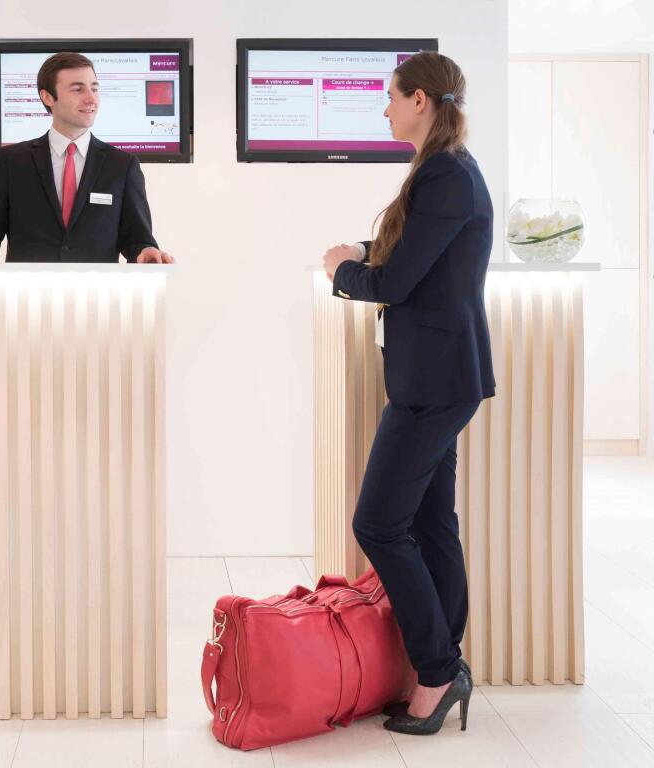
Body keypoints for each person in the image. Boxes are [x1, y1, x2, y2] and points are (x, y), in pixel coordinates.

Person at [322, 51, 494, 736]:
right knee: (429, 522)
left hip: (435, 380)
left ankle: (437, 669)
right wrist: (365, 251)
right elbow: (420, 253)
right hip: (438, 375)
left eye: (391, 97)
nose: (386, 109)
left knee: (378, 524)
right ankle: (446, 664)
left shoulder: (445, 172)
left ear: (420, 99)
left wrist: (343, 272)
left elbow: (397, 283)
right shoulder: (447, 167)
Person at [0, 51, 174, 264]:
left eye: (94, 88)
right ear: (47, 97)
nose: (91, 99)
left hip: (96, 298)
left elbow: (136, 239)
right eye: (78, 89)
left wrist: (145, 251)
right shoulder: (12, 162)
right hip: (28, 297)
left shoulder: (122, 165)